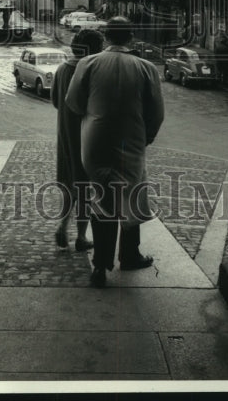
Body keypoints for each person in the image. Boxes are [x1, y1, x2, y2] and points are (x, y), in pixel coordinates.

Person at [66, 15, 164, 289]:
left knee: (102, 200)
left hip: (96, 143)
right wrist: (146, 138)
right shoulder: (146, 68)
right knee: (131, 197)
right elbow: (157, 112)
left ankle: (100, 265)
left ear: (106, 37)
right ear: (131, 37)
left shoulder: (88, 63)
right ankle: (129, 255)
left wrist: (95, 116)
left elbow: (73, 103)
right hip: (131, 142)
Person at [51, 27, 105, 252]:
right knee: (84, 189)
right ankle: (81, 236)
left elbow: (55, 101)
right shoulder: (92, 70)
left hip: (65, 133)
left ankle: (63, 225)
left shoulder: (62, 69)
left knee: (68, 184)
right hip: (87, 134)